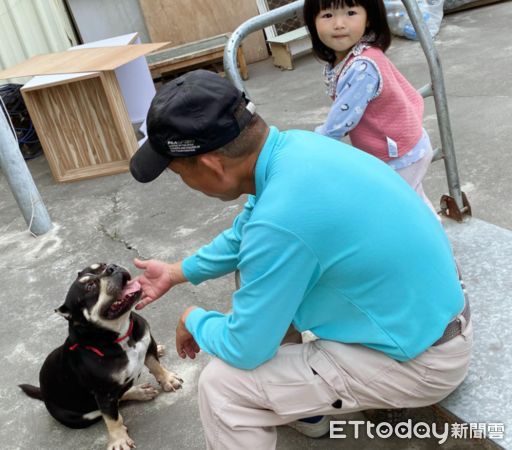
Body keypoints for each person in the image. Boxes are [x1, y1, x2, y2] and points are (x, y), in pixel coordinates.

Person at [129, 69, 472, 449]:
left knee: (223, 386)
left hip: (424, 362)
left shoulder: (279, 221)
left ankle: (288, 404)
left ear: (211, 165)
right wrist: (177, 273)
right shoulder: (294, 150)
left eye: (179, 173)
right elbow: (246, 234)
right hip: (426, 320)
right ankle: (305, 410)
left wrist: (193, 318)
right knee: (257, 278)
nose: (184, 183)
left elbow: (245, 348)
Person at [304, 0, 437, 215]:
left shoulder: (362, 66)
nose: (339, 24)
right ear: (313, 22)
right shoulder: (347, 58)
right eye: (327, 15)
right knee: (413, 200)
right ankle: (433, 235)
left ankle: (425, 243)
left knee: (400, 209)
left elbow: (340, 121)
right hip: (404, 145)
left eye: (350, 13)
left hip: (399, 154)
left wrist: (313, 142)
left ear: (368, 20)